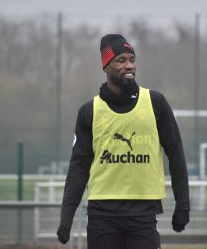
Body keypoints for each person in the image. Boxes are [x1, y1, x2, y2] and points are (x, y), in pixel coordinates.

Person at [57, 34, 190, 249]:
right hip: (102, 214)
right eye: (121, 60)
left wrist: (183, 204)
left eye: (132, 59)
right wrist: (66, 216)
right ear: (106, 66)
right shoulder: (89, 112)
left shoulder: (156, 103)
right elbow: (78, 167)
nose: (129, 65)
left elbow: (176, 153)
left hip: (144, 214)